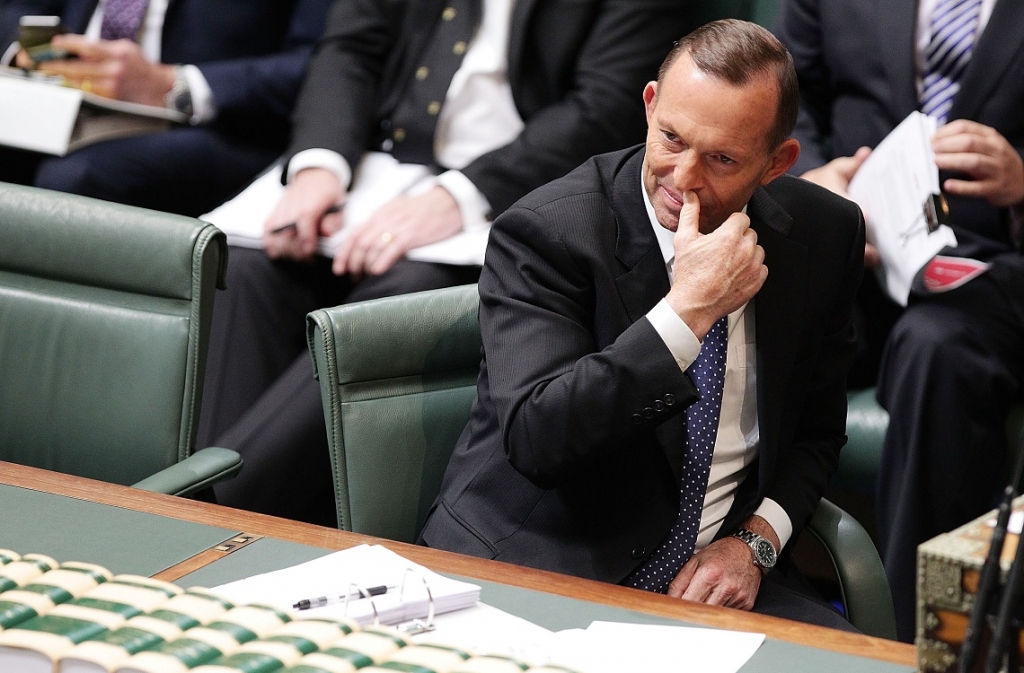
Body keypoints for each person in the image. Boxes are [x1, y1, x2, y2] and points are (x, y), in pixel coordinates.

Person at [419, 19, 864, 629]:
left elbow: (816, 433)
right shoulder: (548, 233)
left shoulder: (822, 236)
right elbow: (540, 438)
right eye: (672, 139)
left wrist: (754, 545)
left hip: (715, 578)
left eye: (723, 158)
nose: (683, 179)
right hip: (542, 564)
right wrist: (687, 314)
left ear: (776, 163)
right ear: (651, 105)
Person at [194, 0, 696, 527]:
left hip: (512, 193)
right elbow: (349, 48)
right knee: (248, 268)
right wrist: (319, 165)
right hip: (375, 167)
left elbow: (604, 105)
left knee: (406, 296)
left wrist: (459, 196)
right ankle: (209, 494)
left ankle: (213, 512)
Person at [774, 0, 1024, 641]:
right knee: (760, 305)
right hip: (856, 253)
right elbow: (782, 98)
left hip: (992, 271)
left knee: (937, 348)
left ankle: (919, 646)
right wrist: (809, 179)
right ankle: (727, 596)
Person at [0, 0, 333, 217]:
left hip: (214, 124)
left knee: (75, 180)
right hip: (57, 96)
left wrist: (172, 85)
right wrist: (32, 51)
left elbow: (327, 60)